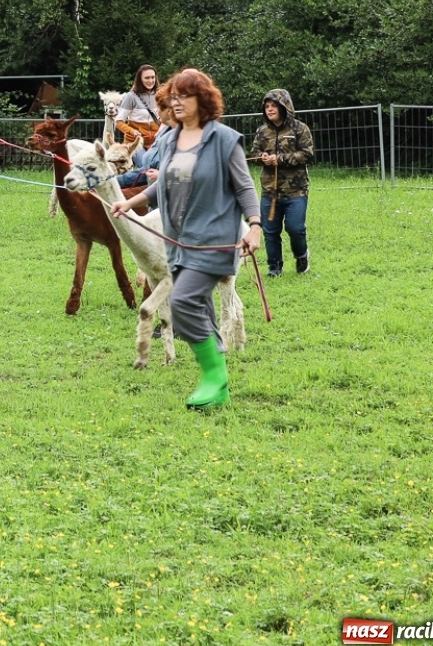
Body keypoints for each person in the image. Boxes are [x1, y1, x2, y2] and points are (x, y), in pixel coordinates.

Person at [110, 68, 262, 410]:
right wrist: (129, 203)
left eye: (184, 96)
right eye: (173, 96)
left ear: (203, 100)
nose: (175, 102)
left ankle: (212, 376)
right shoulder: (168, 140)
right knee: (201, 310)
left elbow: (245, 186)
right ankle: (218, 384)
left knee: (182, 301)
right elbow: (160, 186)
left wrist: (254, 225)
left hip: (215, 236)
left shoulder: (225, 140)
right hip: (179, 239)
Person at [250, 87, 314, 276]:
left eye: (274, 106)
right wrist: (261, 157)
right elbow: (253, 155)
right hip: (270, 191)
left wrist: (280, 159)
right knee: (270, 231)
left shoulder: (299, 128)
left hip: (296, 190)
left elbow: (307, 154)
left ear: (284, 106)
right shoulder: (262, 131)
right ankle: (274, 267)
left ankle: (302, 255)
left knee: (295, 228)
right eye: (267, 106)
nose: (269, 110)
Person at [115, 64, 162, 146]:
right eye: (147, 78)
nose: (150, 81)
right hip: (135, 143)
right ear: (140, 79)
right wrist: (132, 131)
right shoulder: (131, 97)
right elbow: (118, 122)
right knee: (145, 159)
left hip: (156, 142)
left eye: (153, 77)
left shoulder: (159, 95)